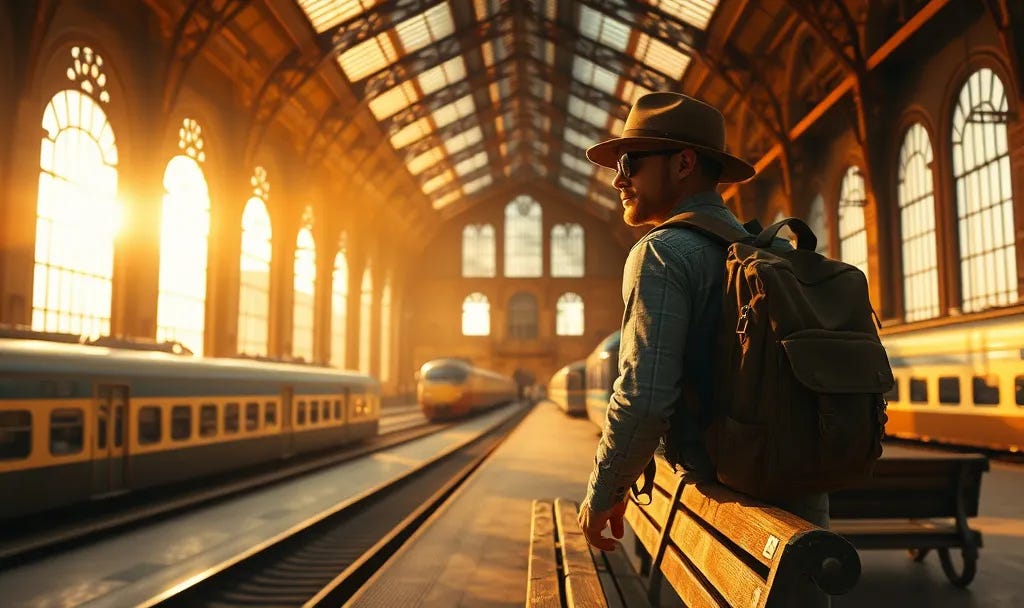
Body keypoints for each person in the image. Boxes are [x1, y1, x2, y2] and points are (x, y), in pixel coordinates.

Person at [577, 92, 829, 602]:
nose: (617, 179)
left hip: (727, 519)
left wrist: (604, 492)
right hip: (800, 509)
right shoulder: (773, 252)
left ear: (684, 163)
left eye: (628, 162)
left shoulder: (662, 253)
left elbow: (643, 399)